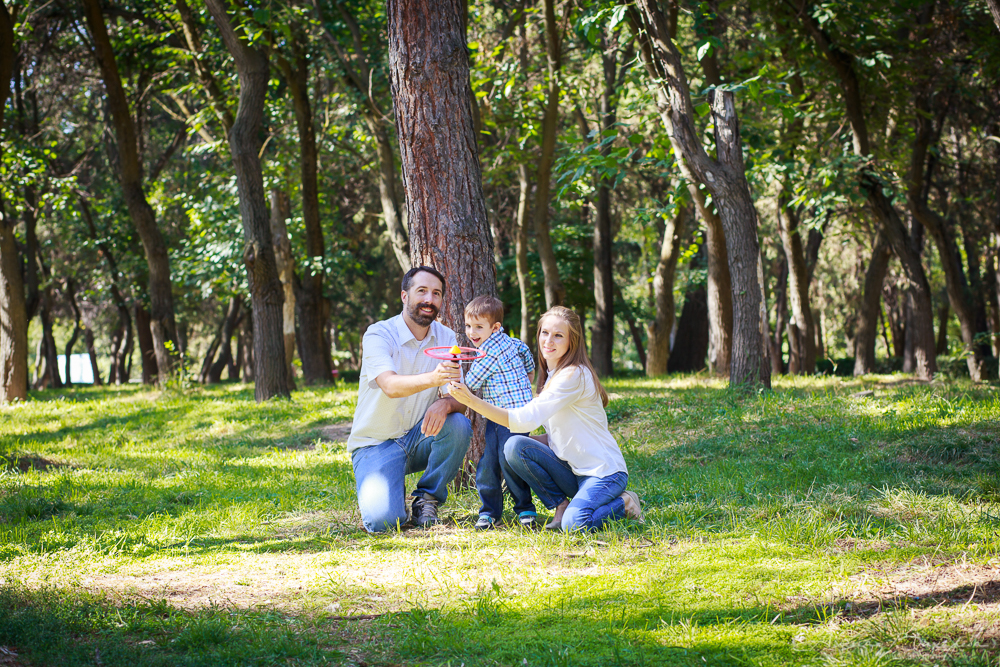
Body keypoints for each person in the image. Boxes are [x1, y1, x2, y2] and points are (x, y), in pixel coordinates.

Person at [449, 306, 642, 531]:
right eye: (545, 333)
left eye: (558, 335)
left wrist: (471, 400)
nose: (549, 341)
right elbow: (554, 434)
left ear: (573, 341)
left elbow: (526, 420)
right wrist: (524, 447)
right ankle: (561, 504)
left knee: (575, 524)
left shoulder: (573, 375)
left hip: (603, 473)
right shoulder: (552, 375)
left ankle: (625, 502)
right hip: (572, 471)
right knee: (514, 445)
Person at [347, 266, 472, 532]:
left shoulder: (447, 337)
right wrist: (435, 378)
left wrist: (445, 402)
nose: (429, 299)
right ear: (404, 296)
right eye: (422, 291)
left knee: (458, 424)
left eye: (436, 293)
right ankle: (387, 483)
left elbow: (460, 400)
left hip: (419, 436)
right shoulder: (379, 334)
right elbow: (390, 386)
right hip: (375, 445)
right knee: (384, 524)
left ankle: (426, 498)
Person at [462, 296, 539, 530]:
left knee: (506, 463)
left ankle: (522, 508)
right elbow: (528, 359)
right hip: (506, 415)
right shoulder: (511, 342)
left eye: (478, 327)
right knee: (490, 463)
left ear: (495, 327)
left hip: (509, 417)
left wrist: (453, 371)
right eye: (468, 326)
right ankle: (491, 512)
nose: (471, 333)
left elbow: (471, 383)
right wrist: (526, 383)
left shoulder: (488, 353)